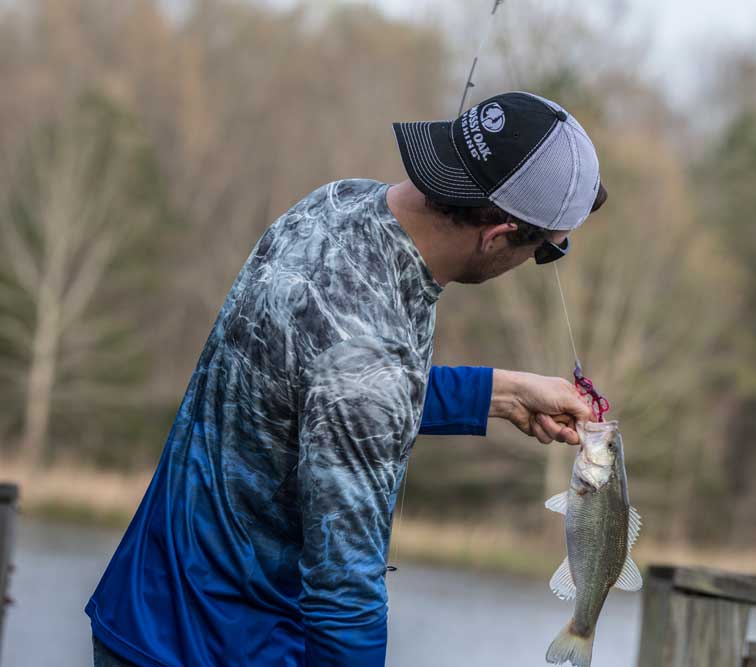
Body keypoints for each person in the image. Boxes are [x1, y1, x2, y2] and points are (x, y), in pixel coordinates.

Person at [86, 91, 608, 667]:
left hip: (140, 610)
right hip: (217, 648)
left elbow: (318, 390)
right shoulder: (367, 365)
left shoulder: (334, 201)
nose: (538, 260)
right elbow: (345, 598)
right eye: (544, 250)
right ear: (497, 235)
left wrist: (499, 393)